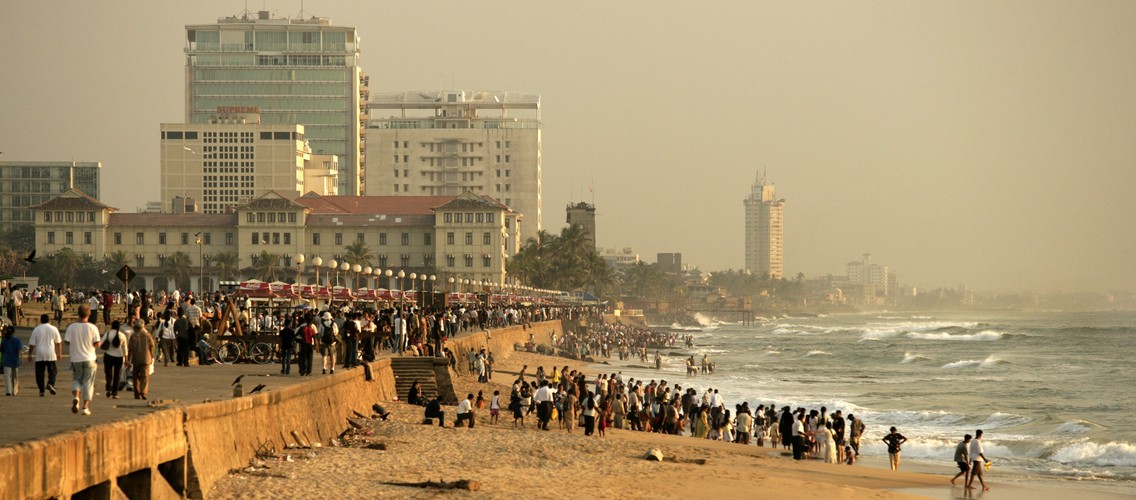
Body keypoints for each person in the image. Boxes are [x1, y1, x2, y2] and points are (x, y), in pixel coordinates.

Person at [64, 304, 101, 416]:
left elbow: (67, 341)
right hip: (90, 358)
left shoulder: (72, 327)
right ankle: (85, 407)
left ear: (78, 314)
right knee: (88, 383)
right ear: (89, 314)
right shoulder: (93, 327)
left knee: (77, 380)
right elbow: (97, 343)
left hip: (76, 358)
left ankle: (76, 397)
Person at [27, 314, 62, 397]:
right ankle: (50, 383)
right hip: (50, 353)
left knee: (39, 373)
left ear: (41, 320)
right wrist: (59, 353)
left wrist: (30, 354)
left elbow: (32, 344)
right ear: (49, 320)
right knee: (53, 371)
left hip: (39, 353)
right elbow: (58, 342)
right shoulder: (54, 329)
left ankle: (41, 390)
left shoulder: (36, 329)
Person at [100, 320, 128, 399]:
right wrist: (126, 360)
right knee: (117, 375)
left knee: (108, 374)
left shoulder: (108, 334)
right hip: (119, 357)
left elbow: (101, 343)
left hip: (108, 356)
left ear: (112, 326)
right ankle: (115, 393)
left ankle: (108, 387)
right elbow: (125, 349)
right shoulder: (122, 335)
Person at [127, 321, 155, 400]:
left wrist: (128, 360)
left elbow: (130, 349)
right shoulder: (147, 335)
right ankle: (143, 392)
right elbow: (152, 346)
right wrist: (152, 356)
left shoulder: (133, 336)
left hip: (136, 359)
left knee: (136, 377)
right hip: (146, 358)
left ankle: (137, 394)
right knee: (145, 377)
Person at [1, 325, 21, 396]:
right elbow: (19, 350)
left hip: (6, 360)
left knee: (7, 376)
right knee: (15, 377)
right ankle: (14, 391)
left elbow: (2, 350)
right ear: (14, 332)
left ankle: (8, 391)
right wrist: (20, 358)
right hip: (15, 360)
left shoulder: (4, 340)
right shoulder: (17, 340)